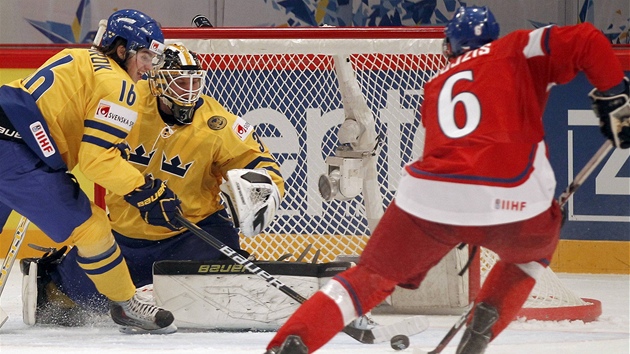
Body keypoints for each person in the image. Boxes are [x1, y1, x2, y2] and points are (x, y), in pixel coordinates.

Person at [264, 6, 629, 354]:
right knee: (530, 256)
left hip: (432, 197)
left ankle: (292, 341)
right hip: (515, 198)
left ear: (449, 46)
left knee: (369, 276)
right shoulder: (516, 47)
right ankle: (484, 324)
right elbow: (586, 39)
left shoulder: (437, 84)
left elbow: (460, 161)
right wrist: (614, 95)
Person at [23, 43, 284, 324]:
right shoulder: (126, 103)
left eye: (195, 82)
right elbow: (90, 149)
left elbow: (263, 165)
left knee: (223, 291)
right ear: (159, 82)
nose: (189, 90)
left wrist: (260, 191)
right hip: (125, 236)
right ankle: (55, 276)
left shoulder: (217, 124)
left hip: (192, 235)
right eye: (180, 82)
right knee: (71, 298)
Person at [0, 9, 183, 333]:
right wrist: (143, 189)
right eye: (144, 56)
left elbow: (53, 111)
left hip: (9, 137)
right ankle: (128, 305)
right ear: (122, 49)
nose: (147, 67)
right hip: (16, 157)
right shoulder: (121, 88)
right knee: (93, 228)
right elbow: (96, 160)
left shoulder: (76, 55)